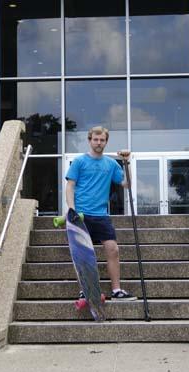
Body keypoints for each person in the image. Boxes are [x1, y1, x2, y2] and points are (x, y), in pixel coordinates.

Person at [65, 126, 137, 301]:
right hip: (80, 214)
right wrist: (72, 209)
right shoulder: (79, 162)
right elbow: (70, 187)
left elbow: (126, 184)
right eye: (95, 139)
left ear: (106, 142)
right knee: (83, 253)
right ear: (90, 140)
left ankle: (116, 290)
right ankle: (85, 289)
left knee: (113, 249)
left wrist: (127, 162)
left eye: (102, 140)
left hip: (101, 215)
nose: (98, 143)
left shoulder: (111, 164)